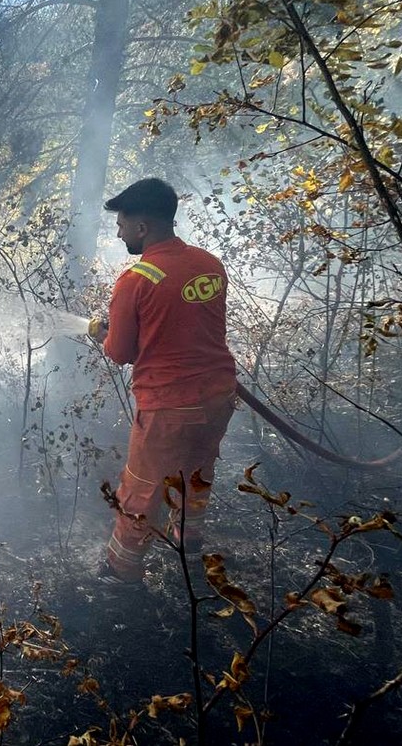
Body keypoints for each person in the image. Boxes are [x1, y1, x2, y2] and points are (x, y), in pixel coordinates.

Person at [89, 178, 237, 584]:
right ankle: (188, 548)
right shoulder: (209, 263)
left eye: (121, 224)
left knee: (141, 490)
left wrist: (103, 334)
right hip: (220, 397)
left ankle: (120, 573)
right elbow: (186, 328)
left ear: (142, 227)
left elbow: (121, 353)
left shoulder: (135, 281)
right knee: (195, 474)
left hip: (169, 409)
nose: (118, 232)